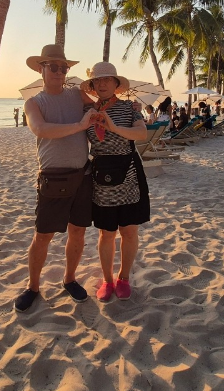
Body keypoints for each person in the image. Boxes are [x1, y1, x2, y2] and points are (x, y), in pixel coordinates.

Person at [15, 44, 96, 313]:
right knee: (43, 235)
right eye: (53, 67)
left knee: (78, 231)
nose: (59, 72)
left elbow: (101, 108)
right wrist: (79, 126)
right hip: (53, 177)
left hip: (83, 175)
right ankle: (33, 286)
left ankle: (69, 279)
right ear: (41, 69)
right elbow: (40, 129)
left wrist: (121, 106)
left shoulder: (77, 94)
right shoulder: (33, 103)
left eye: (64, 67)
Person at [81, 62, 149, 302]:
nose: (102, 84)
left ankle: (124, 277)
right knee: (106, 232)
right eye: (97, 81)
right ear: (92, 85)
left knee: (129, 231)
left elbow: (141, 134)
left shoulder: (130, 108)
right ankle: (108, 280)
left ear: (116, 84)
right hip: (102, 173)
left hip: (129, 169)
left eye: (107, 79)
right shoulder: (86, 112)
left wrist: (113, 127)